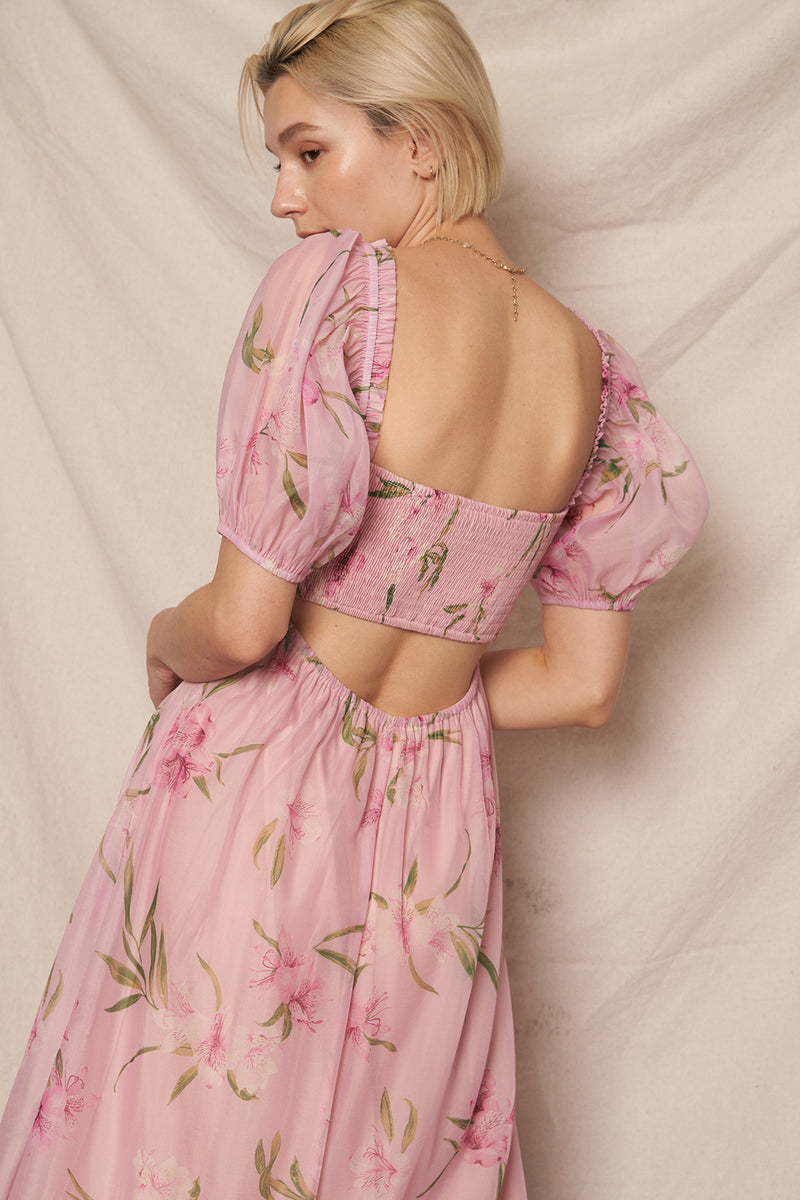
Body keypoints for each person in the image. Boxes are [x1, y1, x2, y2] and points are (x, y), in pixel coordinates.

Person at [0, 0, 708, 1196]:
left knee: (178, 1148)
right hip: (441, 831)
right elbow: (580, 685)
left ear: (419, 139)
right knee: (387, 1160)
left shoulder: (336, 292)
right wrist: (421, 691)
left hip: (260, 790)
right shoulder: (589, 372)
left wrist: (162, 639)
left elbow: (241, 623)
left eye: (308, 150)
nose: (286, 198)